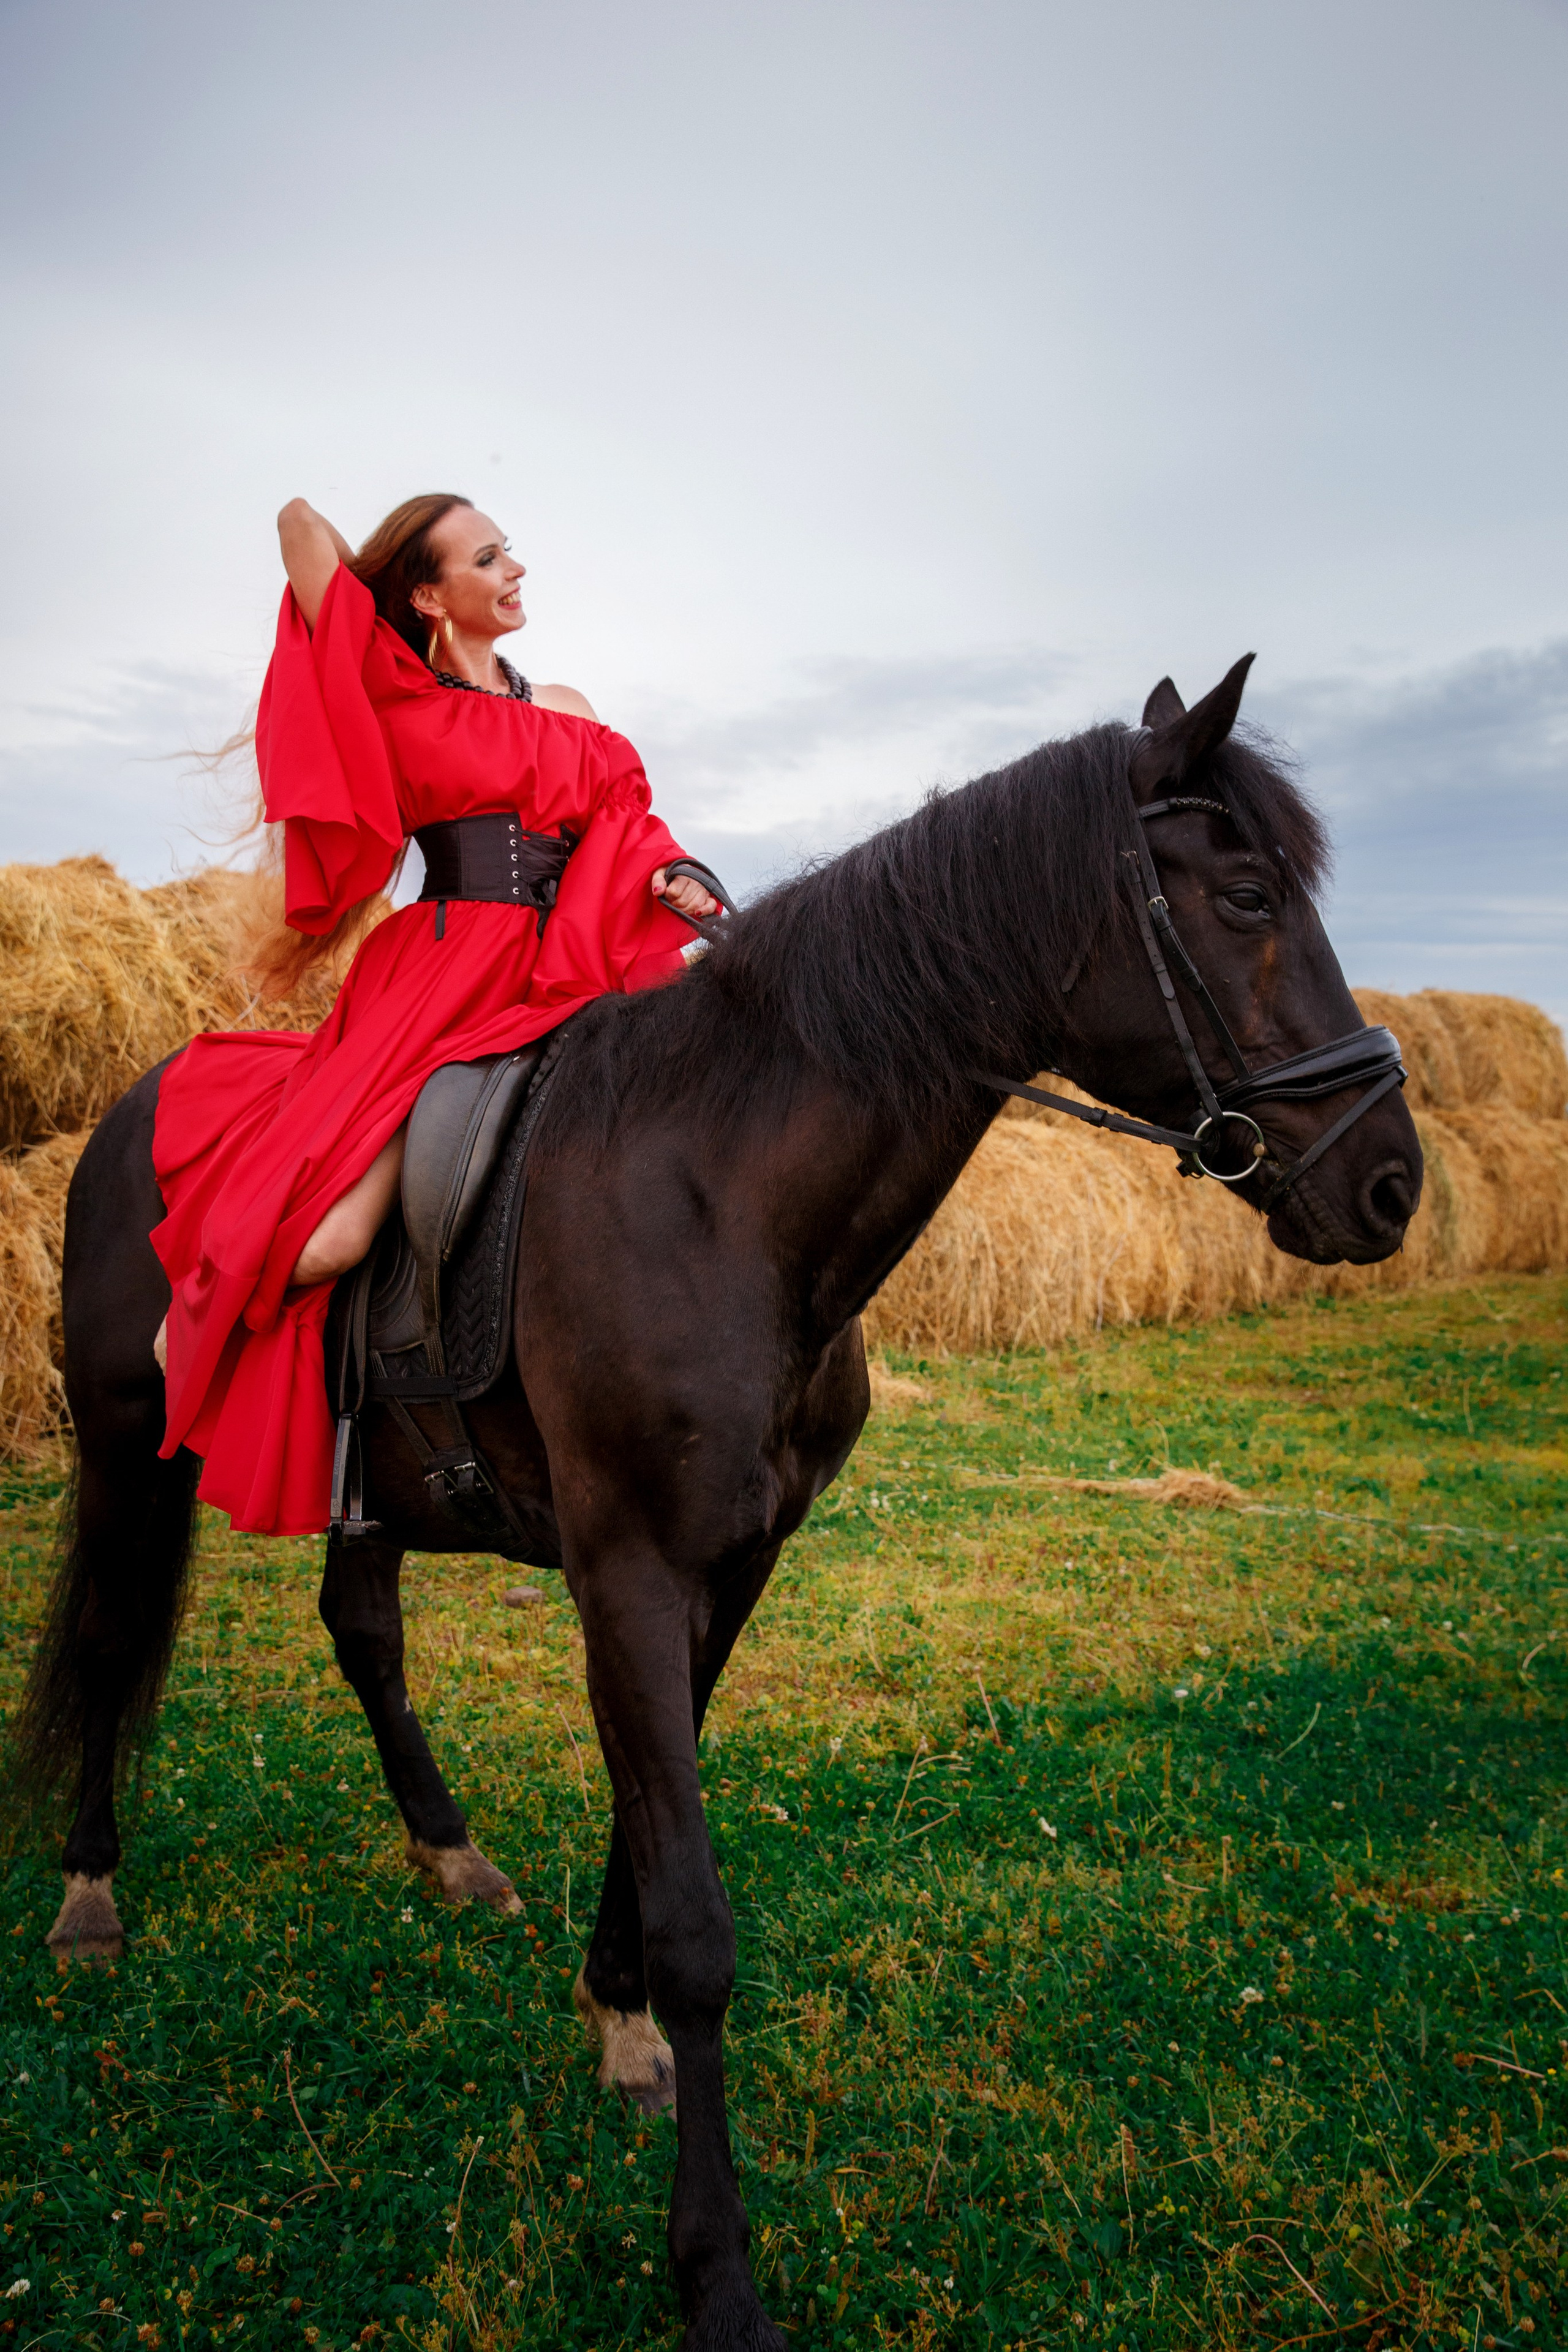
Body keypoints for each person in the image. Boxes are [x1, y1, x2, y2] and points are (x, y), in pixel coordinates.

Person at [149, 492, 718, 1539]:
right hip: (447, 975)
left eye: (514, 552)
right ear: (426, 589)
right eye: (489, 556)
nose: (517, 571)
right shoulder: (392, 692)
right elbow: (296, 528)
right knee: (329, 1243)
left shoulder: (569, 704)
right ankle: (204, 1308)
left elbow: (629, 826)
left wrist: (678, 873)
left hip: (569, 961)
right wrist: (374, 602)